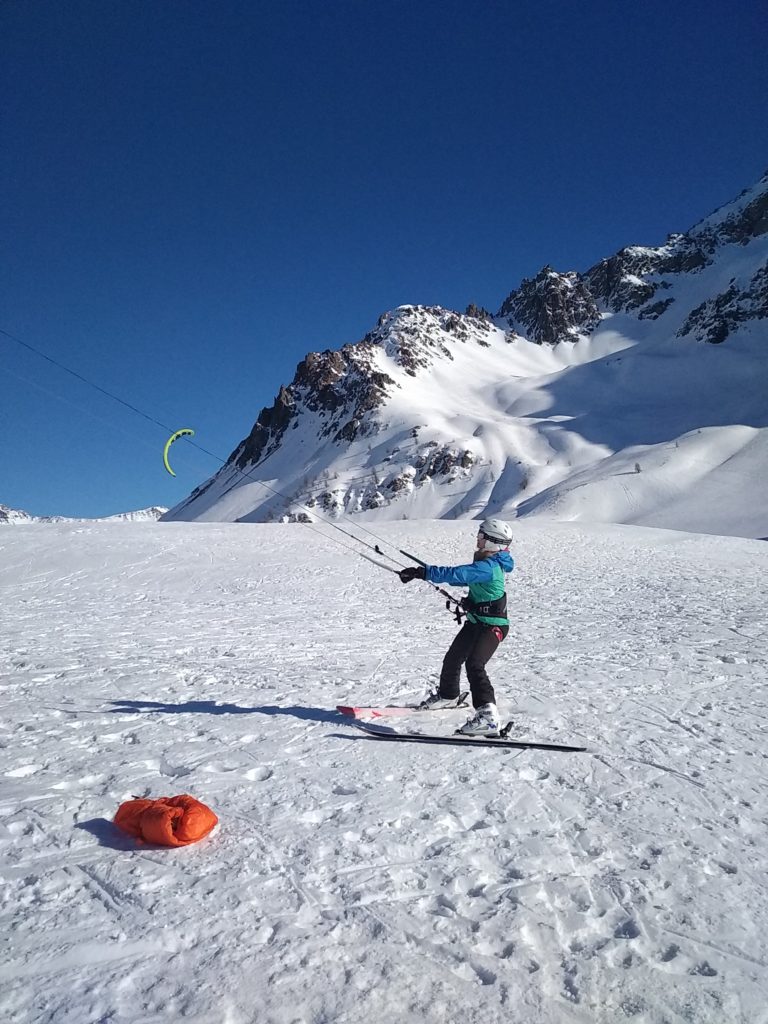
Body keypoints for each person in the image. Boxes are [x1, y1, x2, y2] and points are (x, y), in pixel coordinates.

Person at [399, 518, 515, 736]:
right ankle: (448, 695)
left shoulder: (488, 567)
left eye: (481, 536)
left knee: (475, 664)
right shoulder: (486, 564)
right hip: (476, 622)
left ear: (492, 542)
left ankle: (488, 717)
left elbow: (457, 574)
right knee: (453, 658)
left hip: (492, 627)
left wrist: (422, 572)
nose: (478, 539)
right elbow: (461, 579)